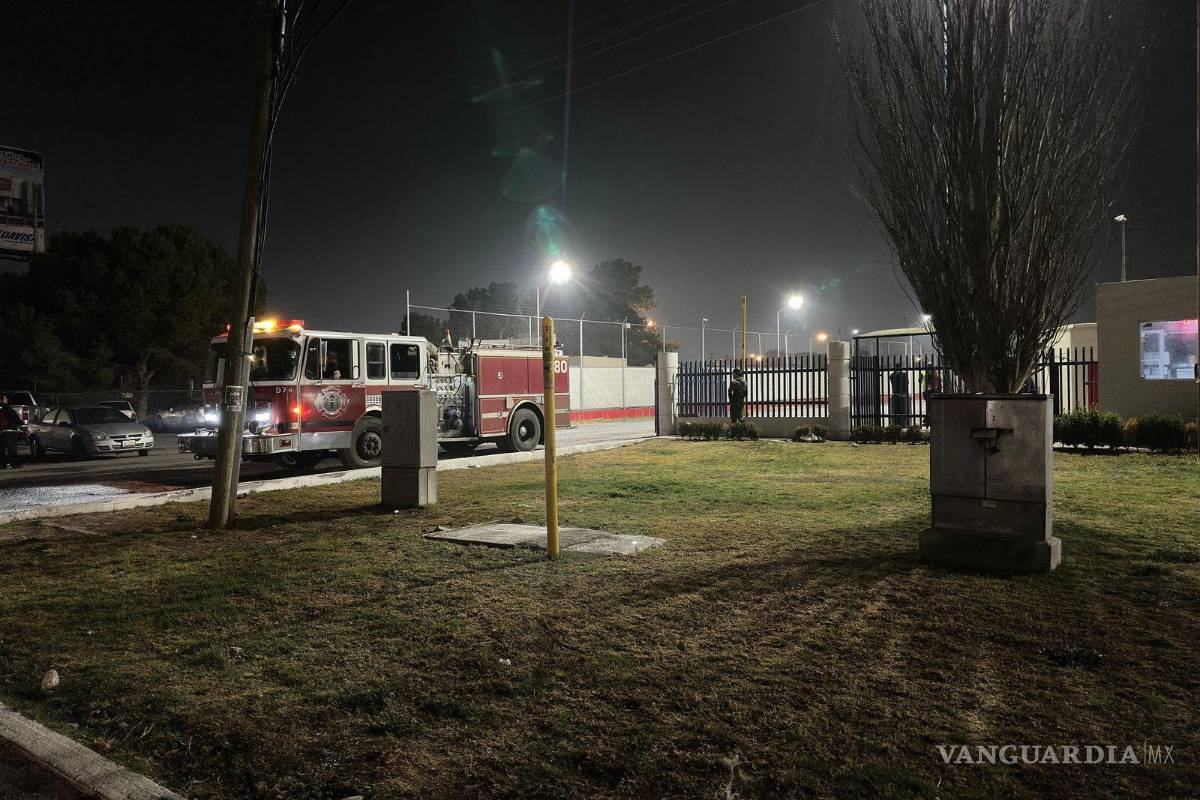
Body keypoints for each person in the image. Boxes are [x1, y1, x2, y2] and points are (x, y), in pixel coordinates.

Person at [0, 394, 23, 469]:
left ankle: (2, 464)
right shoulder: (8, 409)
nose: (7, 400)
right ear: (1, 400)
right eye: (5, 399)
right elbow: (16, 419)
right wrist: (20, 423)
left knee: (1, 449)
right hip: (10, 431)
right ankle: (14, 463)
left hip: (1, 432)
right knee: (12, 449)